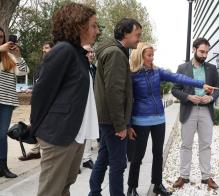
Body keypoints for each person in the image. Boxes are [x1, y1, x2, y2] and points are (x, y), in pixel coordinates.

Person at [126, 42, 216, 196]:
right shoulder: (132, 75)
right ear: (140, 56)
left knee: (158, 154)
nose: (152, 58)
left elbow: (178, 77)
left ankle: (157, 184)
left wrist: (201, 84)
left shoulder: (157, 72)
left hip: (159, 120)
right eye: (149, 55)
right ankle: (132, 187)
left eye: (153, 55)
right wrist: (128, 125)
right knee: (137, 156)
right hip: (140, 120)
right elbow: (127, 100)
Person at [30, 3, 100, 196]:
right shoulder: (63, 51)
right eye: (93, 25)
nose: (97, 30)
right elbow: (41, 93)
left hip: (74, 134)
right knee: (51, 191)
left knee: (64, 187)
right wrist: (35, 129)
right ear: (78, 26)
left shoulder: (78, 54)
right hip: (59, 136)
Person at [89, 18, 142, 196]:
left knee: (103, 157)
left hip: (107, 117)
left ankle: (94, 192)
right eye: (137, 35)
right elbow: (114, 92)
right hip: (112, 120)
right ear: (126, 34)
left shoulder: (114, 51)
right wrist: (121, 125)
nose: (139, 39)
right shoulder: (116, 54)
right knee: (118, 164)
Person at [171, 37, 219, 190]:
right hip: (189, 109)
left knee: (205, 145)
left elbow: (218, 89)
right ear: (194, 49)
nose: (205, 55)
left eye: (206, 52)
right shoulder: (182, 68)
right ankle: (183, 176)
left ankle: (206, 177)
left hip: (206, 110)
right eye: (201, 51)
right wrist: (188, 97)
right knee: (186, 144)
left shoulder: (212, 69)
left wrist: (211, 97)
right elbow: (174, 89)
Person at [0, 27, 29, 178]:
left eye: (1, 37)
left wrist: (18, 56)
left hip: (6, 100)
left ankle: (3, 167)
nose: (0, 39)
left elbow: (23, 72)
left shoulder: (9, 57)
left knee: (1, 134)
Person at [18, 41, 54, 161]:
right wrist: (32, 88)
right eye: (43, 49)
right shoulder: (42, 64)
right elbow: (39, 82)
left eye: (47, 48)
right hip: (38, 101)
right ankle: (36, 150)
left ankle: (44, 152)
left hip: (50, 102)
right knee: (36, 124)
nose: (44, 51)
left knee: (45, 126)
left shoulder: (56, 64)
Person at [81, 44, 96, 170]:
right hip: (79, 105)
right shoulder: (77, 67)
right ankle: (77, 162)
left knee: (88, 131)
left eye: (92, 52)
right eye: (87, 52)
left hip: (92, 103)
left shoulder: (94, 68)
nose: (90, 54)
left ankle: (86, 158)